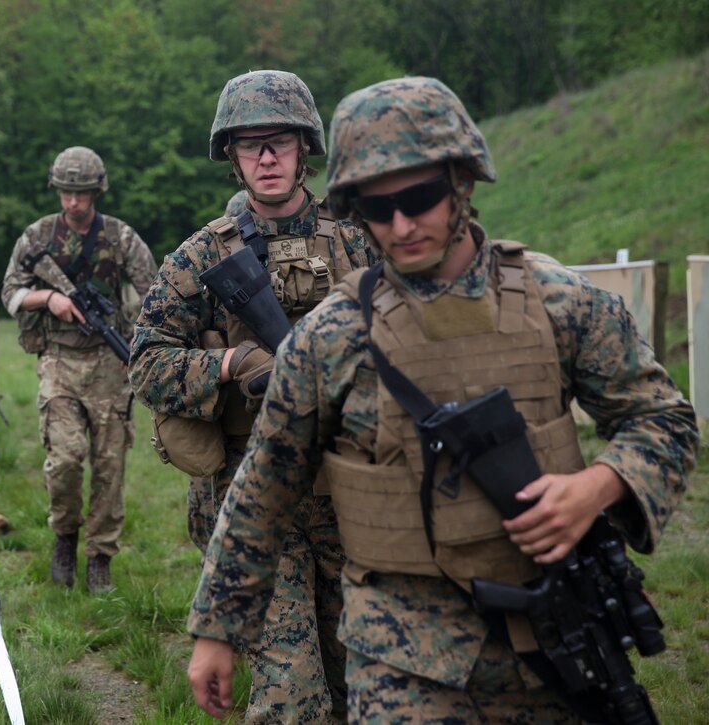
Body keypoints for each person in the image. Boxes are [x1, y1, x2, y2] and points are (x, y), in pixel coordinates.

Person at [185, 76, 699, 722]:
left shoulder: (559, 303)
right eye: (376, 209)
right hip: (401, 657)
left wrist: (599, 485)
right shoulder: (331, 337)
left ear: (464, 181)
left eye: (421, 197)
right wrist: (217, 626)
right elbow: (264, 485)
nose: (401, 225)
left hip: (551, 636)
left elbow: (665, 419)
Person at [129, 70, 374, 723]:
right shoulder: (200, 257)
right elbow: (145, 363)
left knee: (366, 688)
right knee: (292, 699)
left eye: (280, 142)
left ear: (304, 149)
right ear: (232, 158)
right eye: (250, 144)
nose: (267, 157)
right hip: (252, 503)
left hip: (356, 498)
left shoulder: (359, 240)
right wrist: (232, 362)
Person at [1, 146, 155, 593]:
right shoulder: (36, 238)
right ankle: (65, 537)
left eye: (82, 193)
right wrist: (49, 299)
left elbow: (154, 289)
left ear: (97, 191)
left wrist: (138, 326)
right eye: (66, 193)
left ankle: (100, 556)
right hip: (59, 360)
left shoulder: (120, 237)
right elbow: (11, 291)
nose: (73, 202)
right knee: (65, 459)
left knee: (111, 466)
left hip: (110, 362)